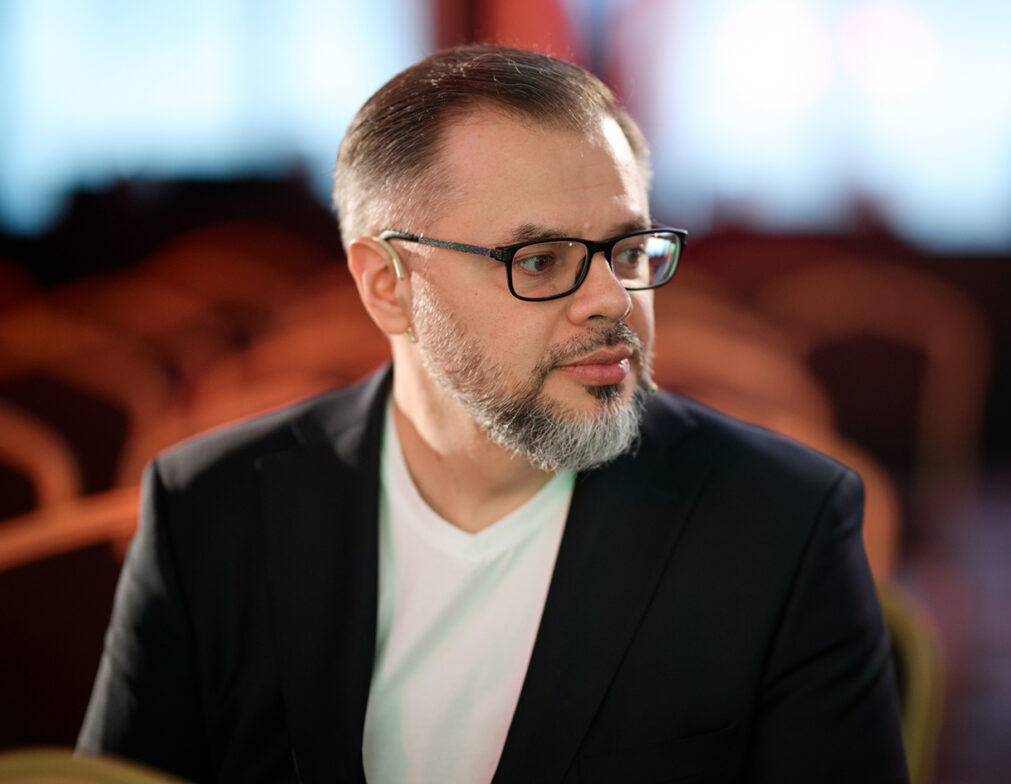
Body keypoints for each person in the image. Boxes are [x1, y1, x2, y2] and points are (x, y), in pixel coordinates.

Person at [78, 45, 906, 783]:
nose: (612, 300)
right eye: (539, 260)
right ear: (388, 286)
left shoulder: (782, 524)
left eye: (627, 250)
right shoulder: (208, 510)